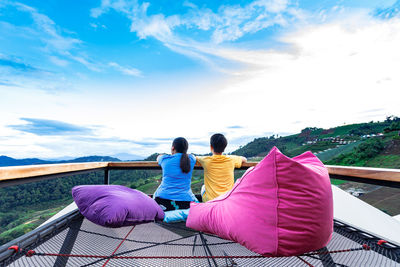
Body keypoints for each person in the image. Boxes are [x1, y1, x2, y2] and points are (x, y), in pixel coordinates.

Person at [196, 133, 247, 202]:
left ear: (211, 147)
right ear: (224, 147)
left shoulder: (205, 160)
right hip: (227, 200)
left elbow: (193, 159)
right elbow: (245, 159)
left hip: (210, 201)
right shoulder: (231, 159)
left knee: (203, 187)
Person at [153, 137, 197, 211]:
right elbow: (192, 156)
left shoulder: (165, 159)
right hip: (185, 202)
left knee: (157, 192)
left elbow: (158, 158)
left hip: (163, 200)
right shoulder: (191, 159)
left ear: (173, 148)